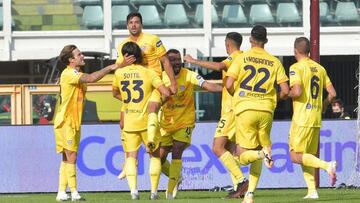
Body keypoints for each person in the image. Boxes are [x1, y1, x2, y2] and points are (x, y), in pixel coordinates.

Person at [225, 25, 289, 203]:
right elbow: (285, 90)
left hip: (245, 109)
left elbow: (229, 84)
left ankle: (263, 154)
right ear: (266, 41)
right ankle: (250, 194)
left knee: (244, 157)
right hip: (266, 111)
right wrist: (273, 99)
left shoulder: (242, 58)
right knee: (260, 148)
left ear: (250, 40)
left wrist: (236, 96)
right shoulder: (274, 61)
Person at [184, 32, 248, 198]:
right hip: (239, 109)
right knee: (231, 150)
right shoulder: (246, 58)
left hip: (231, 110)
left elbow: (220, 67)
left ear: (228, 44)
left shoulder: (234, 58)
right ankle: (239, 187)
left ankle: (242, 180)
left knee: (217, 147)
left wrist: (193, 61)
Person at [115, 12, 177, 180]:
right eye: (131, 22)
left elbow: (165, 62)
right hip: (135, 89)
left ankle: (148, 141)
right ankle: (127, 162)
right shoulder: (122, 45)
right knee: (123, 123)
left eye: (136, 22)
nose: (133, 25)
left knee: (151, 110)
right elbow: (119, 67)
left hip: (153, 84)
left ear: (141, 24)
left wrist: (172, 83)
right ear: (127, 25)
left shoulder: (152, 39)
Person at [54, 44, 119, 201]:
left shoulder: (74, 73)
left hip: (73, 121)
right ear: (71, 60)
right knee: (72, 156)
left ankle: (61, 192)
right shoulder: (69, 73)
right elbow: (91, 78)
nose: (82, 56)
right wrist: (111, 67)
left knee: (66, 157)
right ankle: (75, 193)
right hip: (65, 121)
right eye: (79, 54)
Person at [158, 49, 223, 199]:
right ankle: (176, 177)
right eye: (172, 59)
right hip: (166, 124)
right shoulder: (161, 78)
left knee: (176, 151)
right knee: (158, 158)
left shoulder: (189, 74)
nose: (176, 62)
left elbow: (207, 85)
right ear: (166, 62)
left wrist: (226, 89)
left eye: (178, 59)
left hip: (185, 122)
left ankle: (170, 192)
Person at [112, 41, 171, 200]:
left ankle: (133, 191)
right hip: (147, 122)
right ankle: (153, 192)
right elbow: (166, 91)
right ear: (140, 55)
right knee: (154, 156)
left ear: (125, 56)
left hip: (129, 121)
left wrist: (127, 101)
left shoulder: (118, 73)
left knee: (131, 157)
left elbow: (115, 93)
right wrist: (158, 100)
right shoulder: (148, 72)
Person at [288, 37, 337, 199]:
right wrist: (323, 105)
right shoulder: (320, 68)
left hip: (302, 118)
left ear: (295, 51)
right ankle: (312, 191)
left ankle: (327, 165)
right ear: (308, 51)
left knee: (295, 156)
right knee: (305, 156)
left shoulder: (296, 67)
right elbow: (333, 93)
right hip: (315, 118)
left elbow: (297, 92)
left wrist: (283, 94)